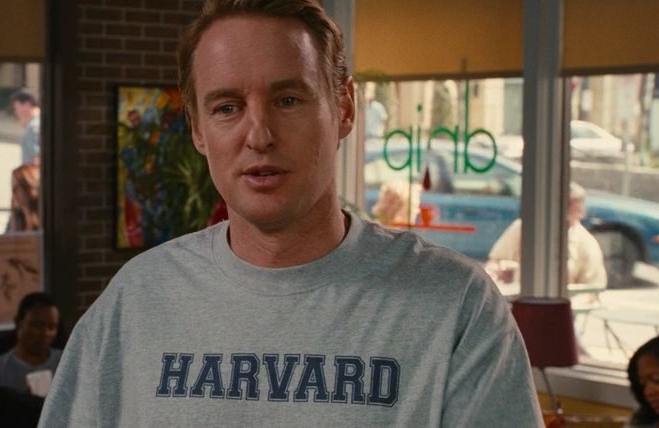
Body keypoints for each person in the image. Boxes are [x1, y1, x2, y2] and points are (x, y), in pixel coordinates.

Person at [40, 1, 541, 425]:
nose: (259, 135)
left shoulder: (455, 307)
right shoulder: (135, 301)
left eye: (287, 99)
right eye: (227, 107)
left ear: (345, 108)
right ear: (197, 129)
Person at [0, 293, 62, 428]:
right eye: (37, 325)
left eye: (51, 327)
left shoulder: (65, 365)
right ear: (19, 323)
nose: (45, 333)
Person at [488, 182, 607, 286]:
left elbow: (591, 291)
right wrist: (500, 273)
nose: (562, 211)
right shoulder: (522, 228)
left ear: (581, 212)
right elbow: (494, 265)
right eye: (558, 204)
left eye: (569, 206)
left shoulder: (587, 244)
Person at [6, 164, 41, 233]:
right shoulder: (14, 221)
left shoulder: (45, 224)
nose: (13, 193)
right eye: (13, 188)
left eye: (16, 188)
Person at [12, 91, 41, 166]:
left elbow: (37, 159)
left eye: (17, 108)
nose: (16, 112)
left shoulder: (32, 128)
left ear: (27, 105)